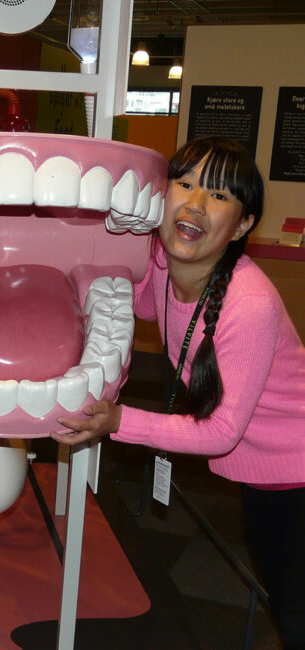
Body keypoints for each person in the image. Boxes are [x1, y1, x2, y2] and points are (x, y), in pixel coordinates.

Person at [52, 136, 305, 649]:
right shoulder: (170, 268)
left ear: (242, 225)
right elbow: (143, 305)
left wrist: (121, 421)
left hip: (297, 475)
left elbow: (221, 432)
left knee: (298, 619)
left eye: (217, 195)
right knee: (286, 604)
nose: (193, 204)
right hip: (269, 480)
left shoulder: (248, 303)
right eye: (184, 184)